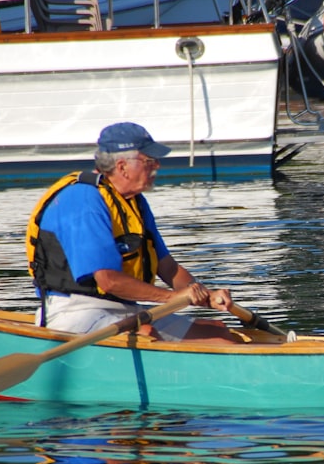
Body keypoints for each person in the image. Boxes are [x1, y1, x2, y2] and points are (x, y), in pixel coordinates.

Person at [25, 121, 242, 343]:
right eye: (149, 161)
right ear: (122, 167)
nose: (157, 165)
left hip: (124, 307)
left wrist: (204, 295)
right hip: (75, 312)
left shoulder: (135, 202)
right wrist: (172, 297)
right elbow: (108, 280)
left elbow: (166, 265)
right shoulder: (83, 200)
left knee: (218, 331)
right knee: (147, 335)